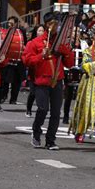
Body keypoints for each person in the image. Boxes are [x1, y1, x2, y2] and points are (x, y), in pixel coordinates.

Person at [22, 12, 74, 150]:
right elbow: (26, 61)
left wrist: (66, 52)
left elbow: (69, 63)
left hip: (57, 80)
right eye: (51, 23)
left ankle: (51, 140)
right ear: (46, 25)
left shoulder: (62, 42)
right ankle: (36, 132)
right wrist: (41, 55)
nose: (54, 26)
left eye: (56, 23)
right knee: (43, 109)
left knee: (56, 112)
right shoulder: (35, 42)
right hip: (41, 81)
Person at [26, 24, 46, 117]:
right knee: (33, 92)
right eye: (39, 31)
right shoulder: (31, 43)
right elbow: (28, 59)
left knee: (41, 94)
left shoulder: (46, 43)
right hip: (33, 73)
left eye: (42, 31)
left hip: (43, 72)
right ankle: (28, 109)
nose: (41, 33)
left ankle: (41, 110)